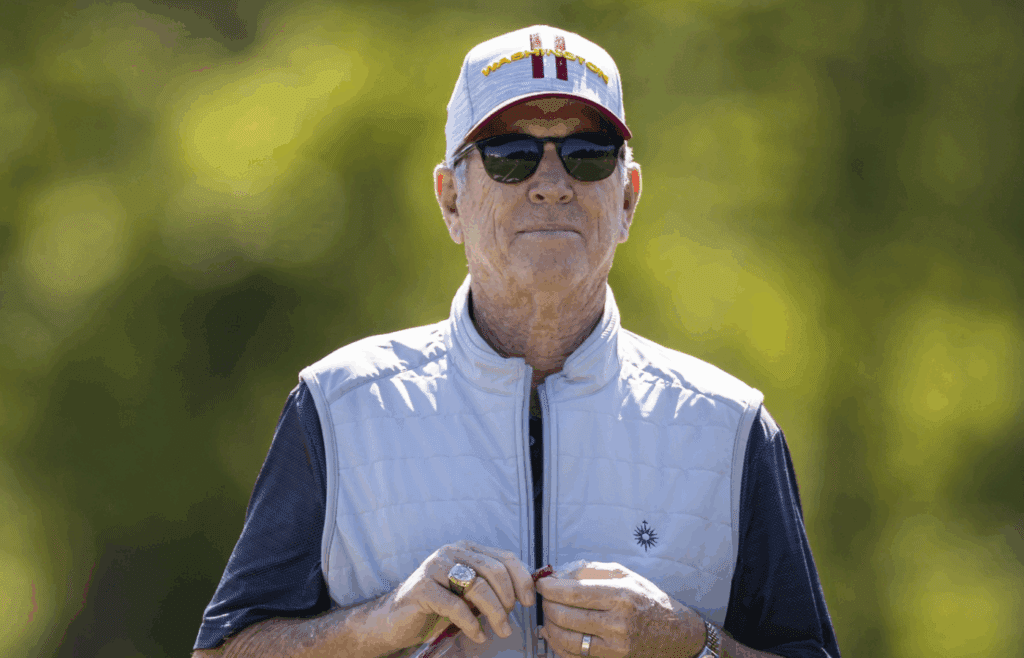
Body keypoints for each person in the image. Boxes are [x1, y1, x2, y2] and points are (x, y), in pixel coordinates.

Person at [192, 24, 841, 658]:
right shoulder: (338, 408)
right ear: (451, 199)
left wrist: (686, 644)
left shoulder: (729, 428)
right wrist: (385, 625)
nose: (553, 182)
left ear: (627, 199)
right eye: (511, 156)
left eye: (588, 155)